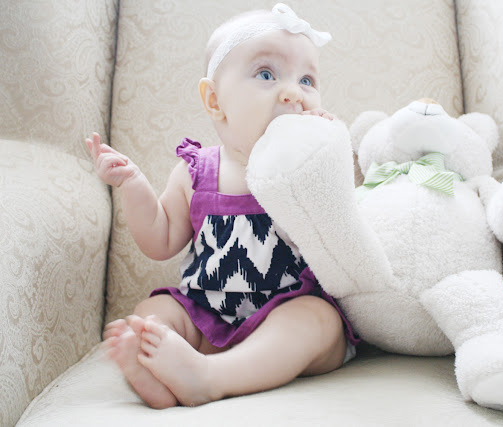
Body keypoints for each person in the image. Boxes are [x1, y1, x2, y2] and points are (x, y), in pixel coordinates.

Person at [86, 3, 358, 409]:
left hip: (284, 319)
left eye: (307, 80)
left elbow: (343, 231)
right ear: (214, 100)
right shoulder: (196, 171)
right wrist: (133, 185)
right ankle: (162, 374)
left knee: (320, 320)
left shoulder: (307, 170)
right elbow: (159, 240)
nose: (293, 92)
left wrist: (330, 161)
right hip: (206, 318)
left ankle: (209, 378)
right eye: (266, 74)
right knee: (153, 313)